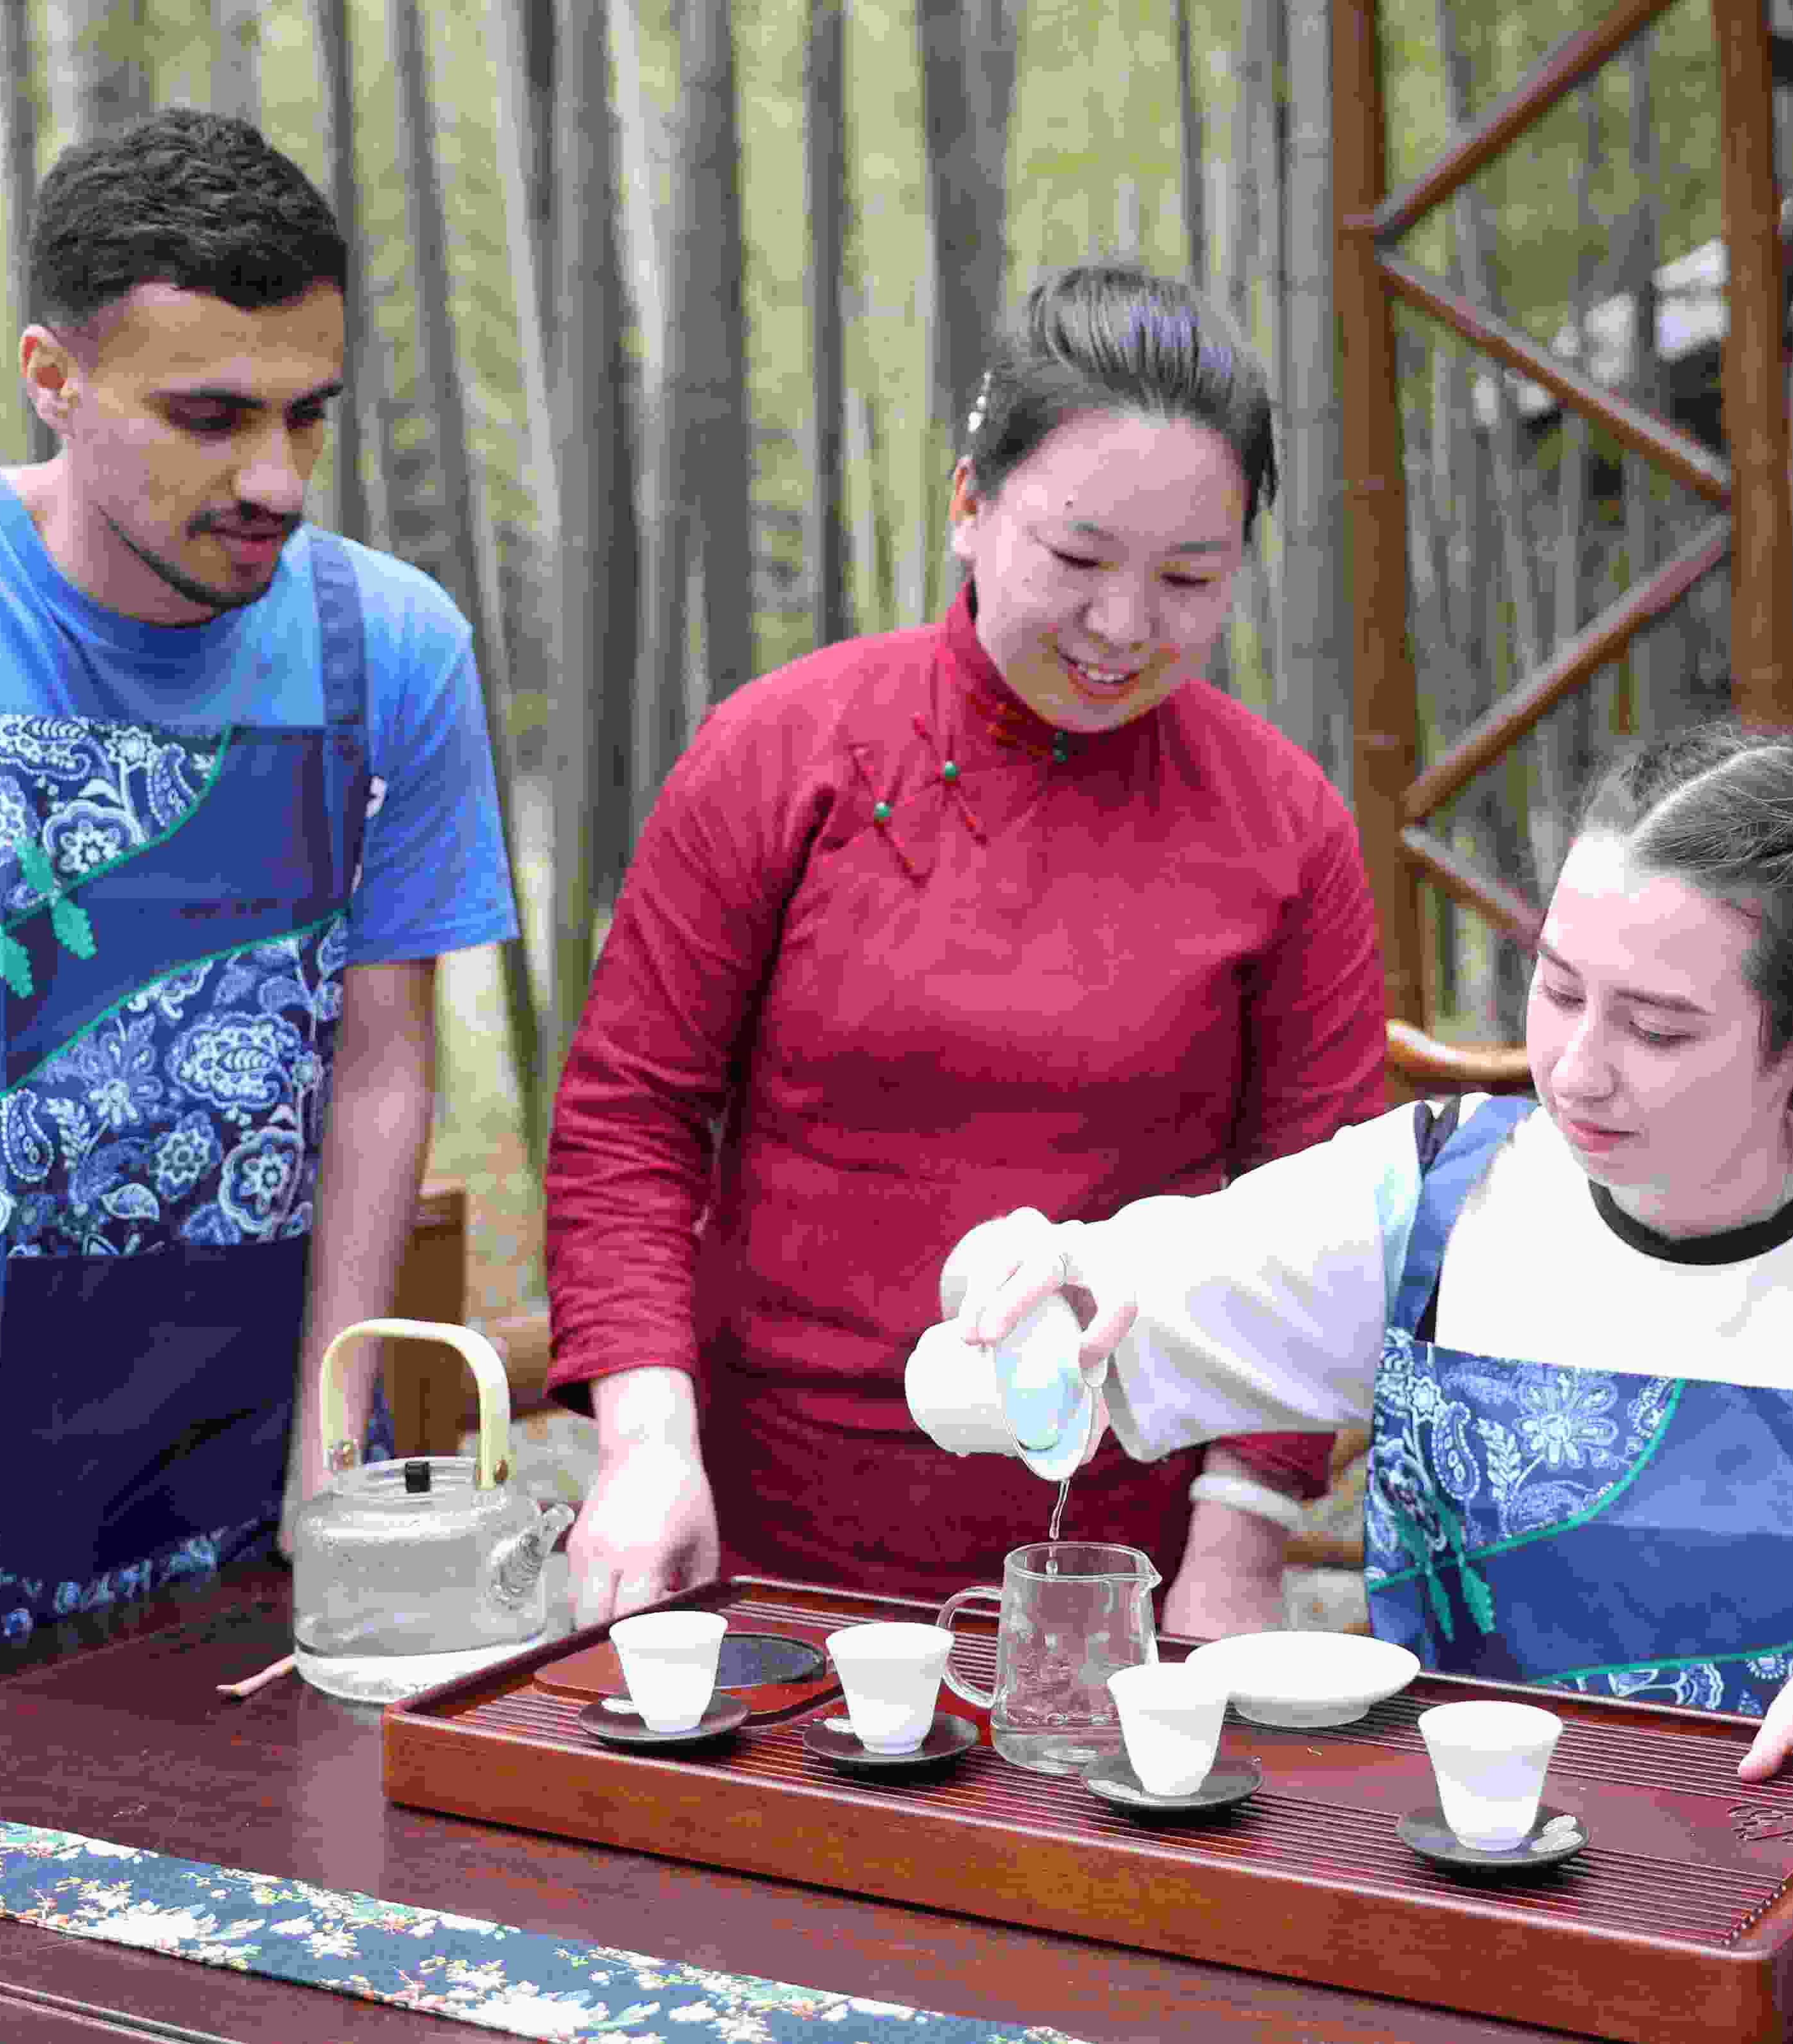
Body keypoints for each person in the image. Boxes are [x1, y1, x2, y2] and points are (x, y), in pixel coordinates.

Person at [0, 109, 517, 1735]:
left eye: (308, 416)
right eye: (210, 417)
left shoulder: (390, 650)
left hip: (248, 1412)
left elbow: (379, 1076)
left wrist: (329, 1465)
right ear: (53, 380)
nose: (275, 480)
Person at [940, 723, 1793, 1818]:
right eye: (1559, 989)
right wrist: (1016, 1274)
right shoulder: (1433, 1197)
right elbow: (1079, 1306)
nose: (1577, 1069)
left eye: (1657, 1027)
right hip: (1464, 1879)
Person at [543, 263, 1384, 1636]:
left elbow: (1321, 1221)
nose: (1124, 628)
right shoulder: (782, 754)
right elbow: (628, 1120)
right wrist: (645, 1446)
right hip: (765, 1538)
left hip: (1120, 1570)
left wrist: (1242, 1538)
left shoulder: (1286, 825)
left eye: (1189, 578)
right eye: (1076, 560)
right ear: (968, 507)